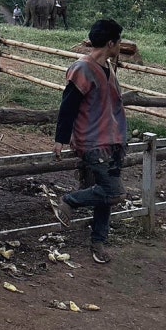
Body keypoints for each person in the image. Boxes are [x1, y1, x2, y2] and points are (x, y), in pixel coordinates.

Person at [49, 18, 127, 264]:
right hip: (93, 141)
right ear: (111, 43)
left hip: (112, 140)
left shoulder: (107, 67)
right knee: (114, 192)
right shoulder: (82, 69)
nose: (121, 45)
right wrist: (61, 139)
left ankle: (98, 242)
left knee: (106, 194)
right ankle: (68, 201)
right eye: (119, 41)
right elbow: (68, 106)